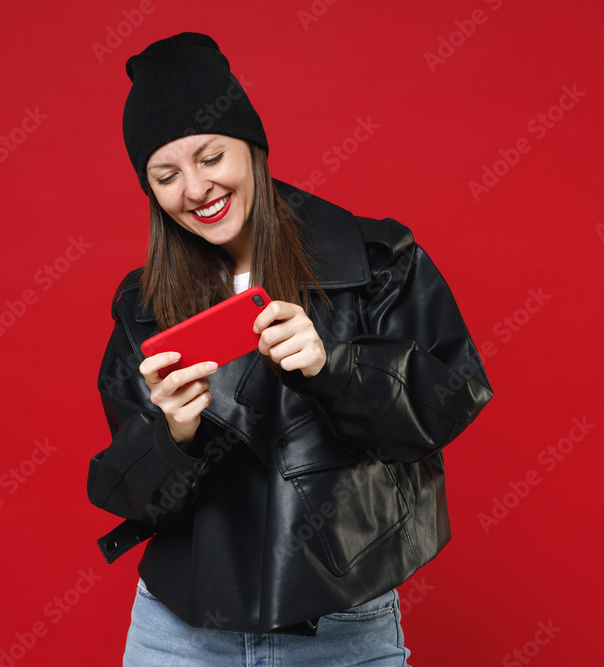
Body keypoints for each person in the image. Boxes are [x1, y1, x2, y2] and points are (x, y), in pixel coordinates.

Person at [87, 32, 493, 666]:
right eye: (166, 176)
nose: (195, 189)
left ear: (251, 148)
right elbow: (131, 494)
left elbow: (447, 402)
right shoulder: (143, 305)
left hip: (341, 626)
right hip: (181, 634)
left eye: (211, 157)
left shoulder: (377, 261)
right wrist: (173, 434)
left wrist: (335, 369)